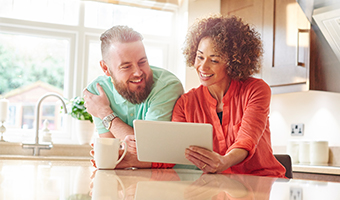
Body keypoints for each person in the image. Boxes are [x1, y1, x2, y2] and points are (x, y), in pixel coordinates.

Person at [171, 14, 286, 178]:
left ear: (233, 62)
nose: (203, 67)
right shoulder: (185, 103)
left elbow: (246, 140)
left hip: (262, 181)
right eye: (200, 57)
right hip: (218, 185)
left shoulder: (256, 90)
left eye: (214, 60)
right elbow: (174, 150)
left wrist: (224, 162)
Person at [83, 25, 184, 169]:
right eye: (126, 66)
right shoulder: (97, 91)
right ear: (106, 68)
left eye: (142, 62)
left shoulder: (167, 86)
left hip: (173, 178)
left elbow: (148, 149)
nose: (138, 73)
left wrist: (105, 114)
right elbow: (113, 154)